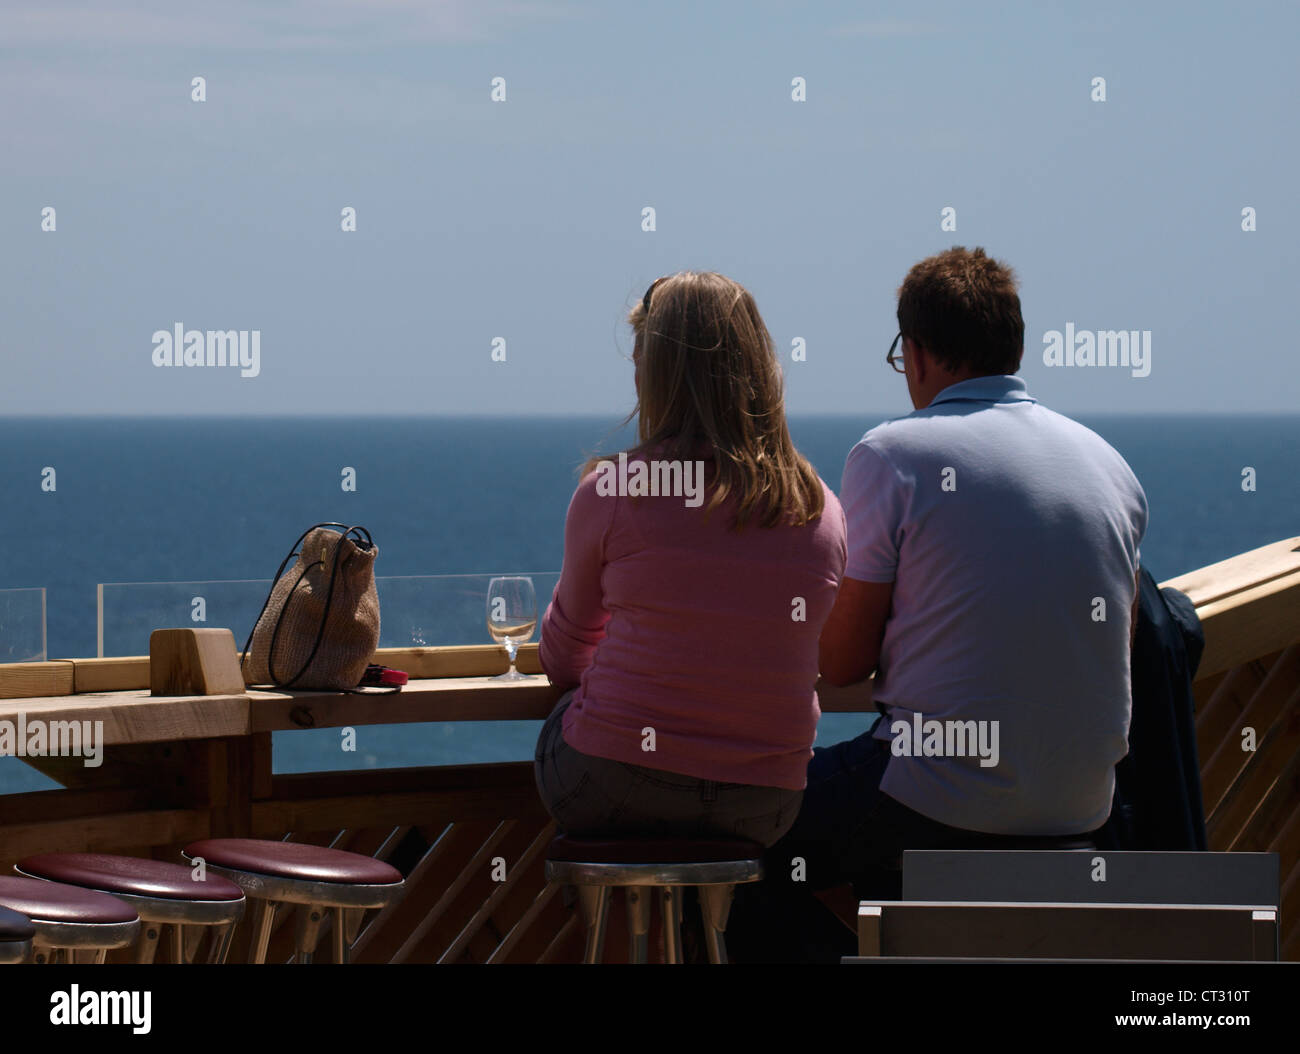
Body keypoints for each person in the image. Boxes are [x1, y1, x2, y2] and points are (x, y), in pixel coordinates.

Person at [728, 246, 1148, 961]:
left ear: (917, 354)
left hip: (936, 798)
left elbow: (844, 660)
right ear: (1014, 348)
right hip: (1083, 813)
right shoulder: (1111, 467)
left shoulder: (894, 455)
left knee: (741, 841)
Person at [533, 271, 846, 848]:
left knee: (569, 723)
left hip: (616, 783)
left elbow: (563, 659)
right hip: (766, 803)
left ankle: (626, 929)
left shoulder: (613, 492)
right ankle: (696, 936)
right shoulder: (821, 508)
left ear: (653, 375)